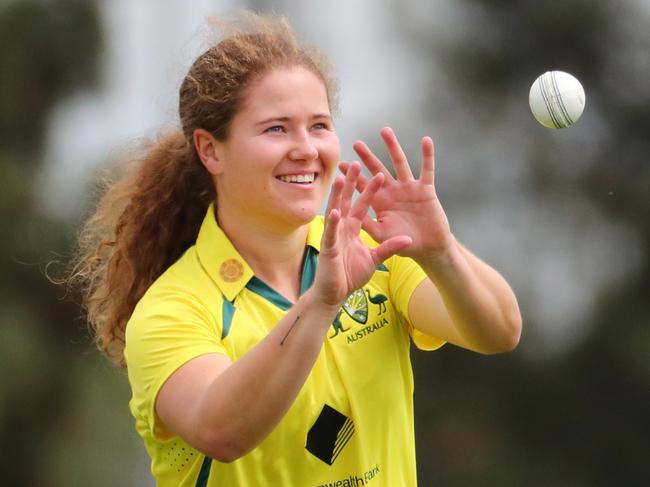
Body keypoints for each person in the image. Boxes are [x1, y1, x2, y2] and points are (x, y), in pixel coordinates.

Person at [69, 11, 522, 487]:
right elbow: (221, 430)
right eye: (276, 129)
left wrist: (441, 252)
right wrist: (322, 303)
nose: (306, 149)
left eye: (319, 125)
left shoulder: (372, 250)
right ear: (210, 150)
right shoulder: (172, 309)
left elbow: (500, 331)